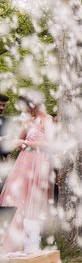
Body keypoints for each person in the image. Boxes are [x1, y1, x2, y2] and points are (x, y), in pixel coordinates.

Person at [0, 93, 53, 253]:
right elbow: (17, 143)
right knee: (15, 198)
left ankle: (30, 244)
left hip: (39, 162)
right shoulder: (27, 121)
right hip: (23, 162)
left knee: (33, 202)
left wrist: (26, 142)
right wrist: (16, 141)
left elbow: (49, 143)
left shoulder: (47, 119)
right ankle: (9, 241)